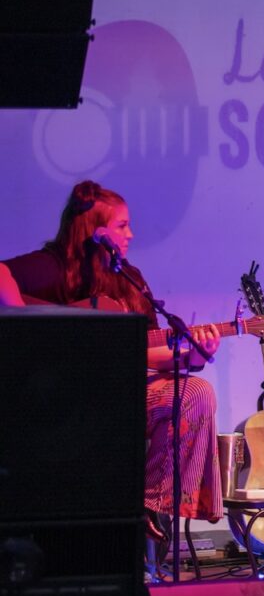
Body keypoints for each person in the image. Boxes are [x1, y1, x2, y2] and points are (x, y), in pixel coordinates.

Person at [0, 181, 224, 565]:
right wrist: (24, 317)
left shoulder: (129, 279)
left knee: (196, 391)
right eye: (122, 226)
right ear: (95, 231)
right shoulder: (53, 266)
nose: (131, 234)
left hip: (129, 387)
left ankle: (151, 506)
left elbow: (149, 352)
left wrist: (192, 356)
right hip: (75, 401)